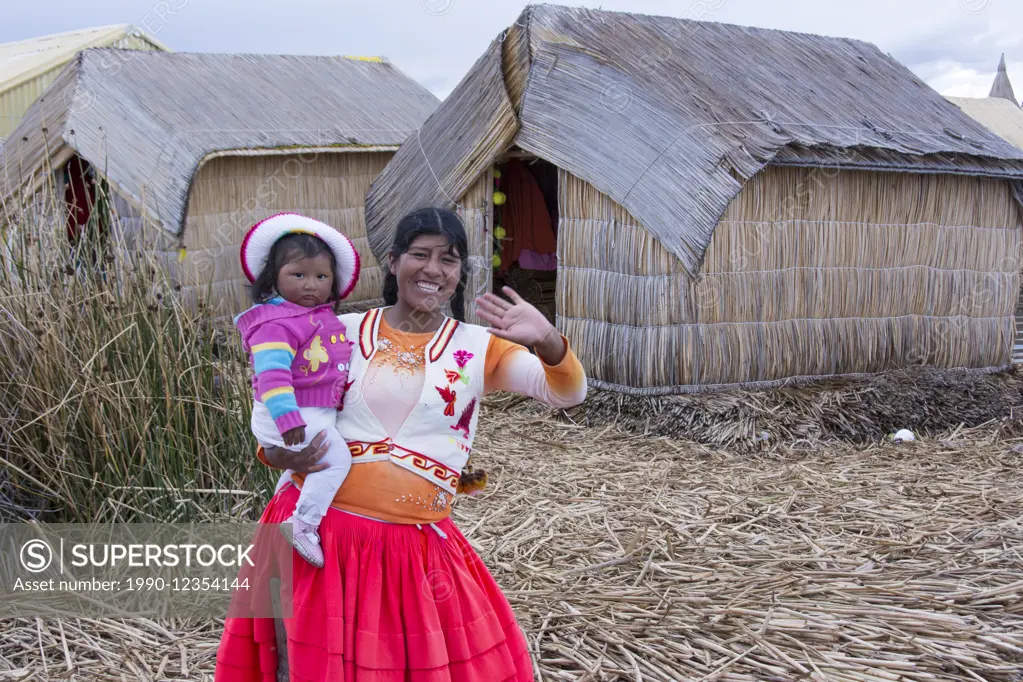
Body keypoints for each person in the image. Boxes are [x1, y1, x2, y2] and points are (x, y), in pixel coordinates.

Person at [216, 207, 587, 681]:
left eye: (449, 260)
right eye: (420, 254)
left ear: (459, 275)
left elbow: (566, 393)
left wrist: (549, 340)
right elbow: (281, 409)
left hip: (409, 556)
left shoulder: (477, 348)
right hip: (315, 539)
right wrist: (274, 453)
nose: (433, 269)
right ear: (393, 262)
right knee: (300, 668)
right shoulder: (338, 332)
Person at [234, 213, 361, 568]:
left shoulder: (316, 318)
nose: (310, 285)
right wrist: (288, 418)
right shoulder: (276, 323)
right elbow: (272, 376)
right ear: (273, 279)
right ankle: (302, 525)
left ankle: (279, 511)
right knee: (337, 460)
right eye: (298, 275)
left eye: (321, 277)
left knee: (304, 467)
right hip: (290, 413)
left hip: (307, 412)